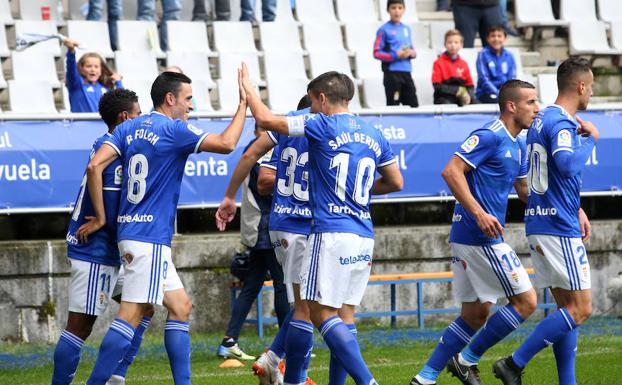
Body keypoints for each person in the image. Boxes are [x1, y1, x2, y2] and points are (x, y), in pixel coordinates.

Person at [78, 70, 248, 385]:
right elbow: (227, 143)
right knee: (131, 314)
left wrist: (102, 217)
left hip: (130, 232)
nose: (191, 105)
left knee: (181, 306)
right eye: (187, 99)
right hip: (150, 237)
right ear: (170, 99)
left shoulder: (127, 127)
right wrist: (243, 105)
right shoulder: (174, 130)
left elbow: (94, 166)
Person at [239, 63, 404, 385]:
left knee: (315, 311)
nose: (311, 107)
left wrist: (247, 88)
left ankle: (363, 381)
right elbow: (396, 182)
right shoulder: (374, 133)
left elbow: (264, 120)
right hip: (363, 233)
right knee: (345, 314)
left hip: (329, 232)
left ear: (323, 98)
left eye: (313, 101)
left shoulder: (321, 123)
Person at [409, 80, 540, 385]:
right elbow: (451, 171)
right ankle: (466, 359)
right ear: (511, 106)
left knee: (475, 314)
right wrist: (479, 213)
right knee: (526, 302)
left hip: (469, 236)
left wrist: (565, 205)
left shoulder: (518, 144)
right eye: (531, 102)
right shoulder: (489, 135)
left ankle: (424, 378)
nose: (537, 108)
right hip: (481, 236)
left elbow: (524, 191)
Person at [493, 57, 598, 385]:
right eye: (591, 87)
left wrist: (576, 206)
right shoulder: (562, 122)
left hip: (541, 221)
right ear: (580, 86)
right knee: (581, 309)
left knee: (567, 310)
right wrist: (591, 139)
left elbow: (553, 174)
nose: (591, 93)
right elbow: (566, 165)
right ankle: (514, 362)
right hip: (557, 226)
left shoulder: (541, 120)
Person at [216, 95, 327, 385]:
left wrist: (228, 196)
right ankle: (294, 375)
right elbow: (263, 179)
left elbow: (249, 156)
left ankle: (275, 358)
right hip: (300, 224)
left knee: (305, 303)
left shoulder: (285, 127)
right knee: (305, 305)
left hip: (281, 226)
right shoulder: (325, 124)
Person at [51, 89, 146, 385]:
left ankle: (115, 376)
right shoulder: (111, 152)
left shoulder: (107, 144)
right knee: (79, 327)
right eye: (139, 114)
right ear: (125, 117)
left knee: (143, 307)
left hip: (110, 250)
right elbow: (97, 174)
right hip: (94, 249)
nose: (142, 120)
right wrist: (103, 219)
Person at [215, 125, 290, 362]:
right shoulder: (263, 153)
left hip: (258, 226)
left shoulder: (255, 150)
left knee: (252, 285)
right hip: (264, 226)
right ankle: (285, 345)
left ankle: (229, 341)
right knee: (281, 284)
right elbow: (264, 187)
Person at [373, 0, 418, 108]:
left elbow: (411, 48)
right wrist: (395, 55)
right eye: (393, 8)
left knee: (413, 105)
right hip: (392, 74)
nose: (397, 11)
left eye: (399, 8)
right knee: (393, 105)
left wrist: (412, 53)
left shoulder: (406, 29)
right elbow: (376, 53)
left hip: (406, 72)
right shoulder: (383, 30)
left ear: (404, 10)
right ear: (388, 10)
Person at [63, 38, 123, 113]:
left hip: (103, 124)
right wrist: (71, 51)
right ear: (81, 69)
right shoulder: (76, 85)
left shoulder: (107, 89)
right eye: (88, 66)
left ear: (101, 70)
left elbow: (122, 104)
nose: (93, 69)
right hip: (81, 124)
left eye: (96, 66)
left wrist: (119, 83)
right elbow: (71, 68)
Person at [432, 29, 476, 106]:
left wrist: (468, 95)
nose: (453, 45)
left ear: (461, 44)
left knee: (477, 105)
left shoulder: (464, 63)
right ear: (445, 44)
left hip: (462, 97)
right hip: (444, 97)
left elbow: (470, 85)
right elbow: (437, 86)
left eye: (456, 42)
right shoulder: (438, 63)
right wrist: (457, 90)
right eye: (450, 42)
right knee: (449, 105)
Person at [475, 26, 517, 104]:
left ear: (505, 38)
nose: (496, 39)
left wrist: (506, 93)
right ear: (487, 39)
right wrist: (498, 93)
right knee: (501, 103)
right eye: (493, 36)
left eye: (499, 36)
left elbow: (512, 78)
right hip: (486, 93)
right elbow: (483, 79)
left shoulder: (509, 55)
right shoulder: (482, 55)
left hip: (505, 94)